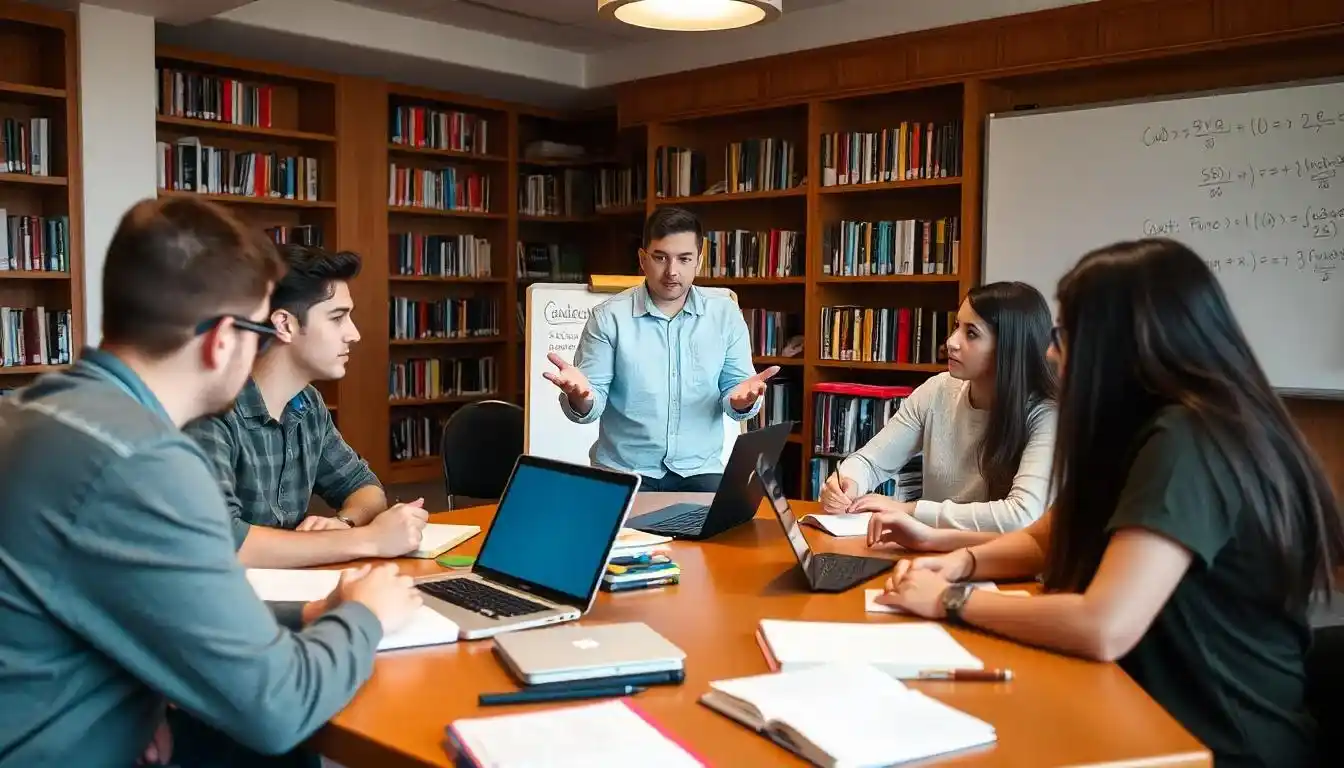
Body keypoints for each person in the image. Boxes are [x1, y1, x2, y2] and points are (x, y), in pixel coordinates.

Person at [876, 238, 1343, 767]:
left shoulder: (1190, 439)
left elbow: (1104, 625)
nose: (1052, 353)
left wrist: (950, 600)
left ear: (1122, 344)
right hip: (1142, 710)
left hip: (1213, 744)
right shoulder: (1138, 430)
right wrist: (962, 560)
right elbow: (1041, 539)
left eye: (1066, 335)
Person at [0, 197, 422, 767]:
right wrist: (365, 615)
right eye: (255, 332)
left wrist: (305, 614)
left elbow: (125, 591)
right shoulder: (145, 463)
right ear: (223, 339)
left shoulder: (39, 409)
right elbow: (276, 708)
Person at [186, 244, 428, 569]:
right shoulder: (211, 412)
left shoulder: (307, 403)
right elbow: (223, 542)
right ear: (285, 325)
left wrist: (343, 524)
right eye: (338, 317)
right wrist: (368, 539)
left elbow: (364, 487)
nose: (354, 334)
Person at [543, 205, 778, 492]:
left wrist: (743, 401)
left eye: (684, 259)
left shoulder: (725, 315)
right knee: (627, 536)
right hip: (626, 470)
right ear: (643, 259)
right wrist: (581, 397)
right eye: (660, 257)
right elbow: (592, 404)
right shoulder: (608, 318)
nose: (672, 271)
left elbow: (735, 393)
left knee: (729, 531)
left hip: (700, 471)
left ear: (699, 262)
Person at [819, 281, 1058, 552]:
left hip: (1003, 569)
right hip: (929, 556)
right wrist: (847, 482)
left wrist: (909, 510)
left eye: (971, 334)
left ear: (1009, 348)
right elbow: (871, 461)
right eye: (957, 326)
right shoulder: (937, 390)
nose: (951, 343)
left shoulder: (1045, 414)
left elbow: (1020, 517)